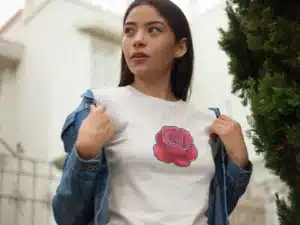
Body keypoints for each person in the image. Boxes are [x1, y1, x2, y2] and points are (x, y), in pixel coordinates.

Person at [52, 0, 252, 225]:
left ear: (180, 47)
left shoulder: (209, 122)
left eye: (153, 30)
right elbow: (68, 217)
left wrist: (239, 162)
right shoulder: (100, 107)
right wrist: (84, 153)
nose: (137, 40)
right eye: (129, 31)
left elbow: (217, 209)